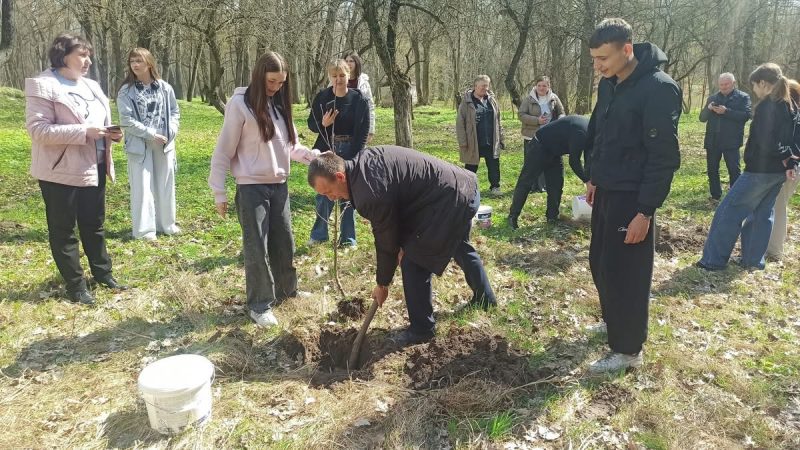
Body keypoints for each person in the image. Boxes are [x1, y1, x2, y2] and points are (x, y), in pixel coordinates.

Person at [307, 147, 496, 345]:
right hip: (460, 188)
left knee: (414, 263)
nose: (331, 198)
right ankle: (486, 298)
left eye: (328, 192)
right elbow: (398, 211)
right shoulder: (361, 166)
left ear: (339, 176)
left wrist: (383, 283)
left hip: (449, 199)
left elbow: (386, 239)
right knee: (458, 244)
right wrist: (401, 245)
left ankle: (422, 330)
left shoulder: (368, 192)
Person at [584, 19, 682, 373]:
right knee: (601, 262)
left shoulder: (658, 89)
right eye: (594, 58)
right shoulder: (608, 86)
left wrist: (646, 211)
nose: (598, 66)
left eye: (603, 58)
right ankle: (613, 320)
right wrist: (593, 176)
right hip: (607, 188)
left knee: (628, 273)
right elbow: (600, 133)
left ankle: (628, 351)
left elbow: (663, 157)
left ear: (627, 49)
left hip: (634, 197)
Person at [208, 52, 318, 327]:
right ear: (259, 76)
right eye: (272, 81)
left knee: (284, 242)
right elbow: (223, 150)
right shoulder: (239, 105)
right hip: (251, 188)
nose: (276, 87)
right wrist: (218, 191)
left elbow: (290, 147)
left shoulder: (280, 106)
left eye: (281, 82)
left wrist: (314, 157)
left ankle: (286, 291)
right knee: (257, 247)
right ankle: (258, 304)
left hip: (279, 186)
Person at [25, 33, 127, 306]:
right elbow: (38, 131)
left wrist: (110, 134)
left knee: (94, 225)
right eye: (82, 55)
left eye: (88, 55)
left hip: (94, 166)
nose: (88, 61)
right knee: (64, 230)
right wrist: (84, 132)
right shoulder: (43, 85)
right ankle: (76, 285)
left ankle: (103, 274)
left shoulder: (92, 86)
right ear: (62, 55)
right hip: (60, 171)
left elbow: (99, 123)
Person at [698, 64, 799, 271]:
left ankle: (713, 260)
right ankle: (753, 260)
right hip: (778, 173)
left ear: (762, 83)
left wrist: (784, 156)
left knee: (728, 211)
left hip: (759, 171)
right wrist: (791, 161)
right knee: (762, 213)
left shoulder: (768, 106)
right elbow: (793, 138)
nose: (754, 89)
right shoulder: (790, 104)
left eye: (754, 85)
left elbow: (766, 140)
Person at [117, 48, 181, 240]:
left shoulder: (164, 88)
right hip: (140, 145)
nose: (135, 65)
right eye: (132, 61)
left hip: (164, 144)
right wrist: (150, 133)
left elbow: (175, 112)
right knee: (142, 187)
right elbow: (126, 120)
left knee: (166, 184)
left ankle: (167, 225)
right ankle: (145, 231)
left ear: (149, 63)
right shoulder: (126, 91)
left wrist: (172, 131)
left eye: (139, 61)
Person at [307, 59, 370, 247]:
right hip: (328, 148)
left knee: (348, 195)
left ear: (348, 75)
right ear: (329, 77)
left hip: (350, 149)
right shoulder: (323, 97)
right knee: (323, 194)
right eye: (334, 76)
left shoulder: (359, 99)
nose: (338, 79)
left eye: (342, 75)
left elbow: (363, 130)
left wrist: (355, 156)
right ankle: (319, 235)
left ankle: (348, 239)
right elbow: (311, 124)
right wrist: (323, 124)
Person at [508, 115, 590, 228]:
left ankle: (552, 217)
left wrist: (592, 179)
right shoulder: (581, 132)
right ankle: (512, 217)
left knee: (556, 185)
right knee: (526, 182)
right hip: (539, 146)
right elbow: (574, 161)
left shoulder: (592, 134)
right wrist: (587, 181)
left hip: (555, 152)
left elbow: (588, 160)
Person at [699, 73, 752, 202]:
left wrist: (726, 112)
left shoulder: (742, 97)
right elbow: (702, 118)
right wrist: (708, 108)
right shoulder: (713, 98)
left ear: (733, 83)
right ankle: (715, 195)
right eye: (721, 84)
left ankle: (735, 196)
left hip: (731, 140)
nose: (723, 87)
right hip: (713, 140)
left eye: (726, 84)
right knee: (712, 170)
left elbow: (745, 116)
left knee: (734, 169)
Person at [767, 79, 800, 260]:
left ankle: (775, 251)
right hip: (792, 167)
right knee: (779, 206)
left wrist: (789, 161)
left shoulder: (793, 117)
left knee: (778, 207)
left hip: (790, 167)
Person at [456, 75, 505, 195]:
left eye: (487, 86)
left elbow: (498, 121)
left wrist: (502, 138)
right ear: (475, 86)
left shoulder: (492, 100)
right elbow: (460, 123)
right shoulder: (466, 102)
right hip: (474, 140)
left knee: (494, 165)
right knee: (471, 166)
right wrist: (463, 142)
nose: (485, 88)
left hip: (491, 140)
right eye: (483, 86)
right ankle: (467, 189)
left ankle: (495, 187)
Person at [518, 76, 565, 193]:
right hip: (532, 135)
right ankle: (532, 186)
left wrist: (560, 121)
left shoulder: (554, 98)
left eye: (544, 85)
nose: (541, 88)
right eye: (539, 85)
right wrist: (536, 120)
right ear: (535, 86)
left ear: (548, 86)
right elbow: (521, 115)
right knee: (531, 162)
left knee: (548, 160)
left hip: (549, 135)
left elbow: (562, 112)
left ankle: (544, 186)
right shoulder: (529, 99)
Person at [343, 51, 376, 142]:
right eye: (346, 61)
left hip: (359, 125)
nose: (349, 64)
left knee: (358, 154)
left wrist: (371, 130)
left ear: (356, 63)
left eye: (351, 61)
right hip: (341, 127)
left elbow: (370, 106)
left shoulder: (363, 82)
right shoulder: (337, 79)